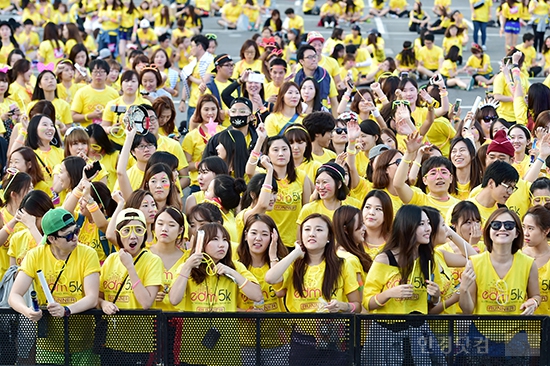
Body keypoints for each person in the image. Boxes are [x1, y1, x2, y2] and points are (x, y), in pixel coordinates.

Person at [9, 208, 100, 365]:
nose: (75, 238)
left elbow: (92, 298)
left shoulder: (88, 253)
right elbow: (14, 295)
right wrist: (28, 311)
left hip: (84, 343)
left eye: (76, 231)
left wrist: (66, 310)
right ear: (51, 239)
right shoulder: (35, 255)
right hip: (48, 345)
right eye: (69, 235)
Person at [459, 208, 540, 359]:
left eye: (509, 225)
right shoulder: (474, 263)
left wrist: (533, 302)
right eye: (496, 225)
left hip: (516, 337)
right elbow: (467, 310)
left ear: (517, 233)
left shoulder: (529, 264)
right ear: (489, 231)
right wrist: (463, 288)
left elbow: (536, 295)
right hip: (481, 336)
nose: (502, 229)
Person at [98, 208, 163, 364]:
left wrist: (130, 268)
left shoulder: (153, 261)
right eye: (126, 230)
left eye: (138, 230)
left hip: (139, 345)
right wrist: (104, 303)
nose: (133, 236)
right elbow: (98, 297)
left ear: (146, 233)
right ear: (118, 233)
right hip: (110, 342)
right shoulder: (111, 259)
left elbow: (146, 302)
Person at [265, 213, 361, 313]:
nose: (312, 234)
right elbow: (270, 278)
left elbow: (357, 306)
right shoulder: (293, 265)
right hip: (299, 326)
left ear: (329, 237)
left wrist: (342, 306)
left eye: (319, 230)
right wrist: (295, 253)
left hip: (330, 326)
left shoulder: (343, 265)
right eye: (307, 229)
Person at [71, 59, 119, 127]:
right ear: (91, 73)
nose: (98, 75)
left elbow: (117, 116)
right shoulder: (81, 92)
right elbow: (73, 117)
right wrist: (90, 116)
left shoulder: (114, 93)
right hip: (87, 134)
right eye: (95, 72)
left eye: (102, 72)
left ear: (107, 74)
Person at [521, 204, 550, 314]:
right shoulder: (518, 256)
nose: (526, 233)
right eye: (524, 227)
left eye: (531, 228)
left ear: (546, 231)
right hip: (522, 325)